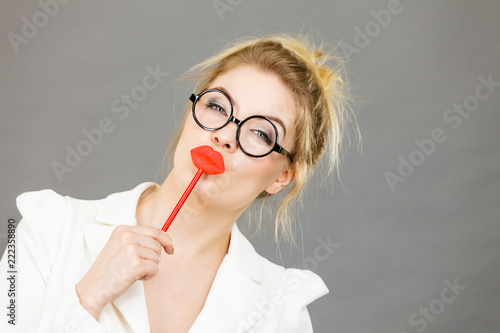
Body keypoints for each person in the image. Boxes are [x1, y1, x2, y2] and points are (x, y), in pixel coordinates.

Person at [0, 34, 359, 332]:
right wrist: (88, 297)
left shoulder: (282, 310)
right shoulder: (48, 230)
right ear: (192, 111)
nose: (225, 136)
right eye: (218, 107)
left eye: (261, 134)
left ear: (282, 176)